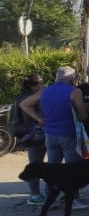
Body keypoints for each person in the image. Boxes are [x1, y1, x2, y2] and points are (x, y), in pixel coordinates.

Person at [21, 67, 89, 210]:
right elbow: (83, 115)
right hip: (69, 133)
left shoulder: (45, 91)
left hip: (50, 135)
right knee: (72, 168)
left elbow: (24, 104)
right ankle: (73, 199)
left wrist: (39, 119)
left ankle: (50, 198)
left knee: (51, 168)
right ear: (72, 79)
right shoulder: (75, 91)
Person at [11, 73, 47, 206]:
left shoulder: (21, 95)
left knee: (34, 164)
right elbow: (29, 117)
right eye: (40, 82)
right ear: (34, 85)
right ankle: (36, 195)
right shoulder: (30, 98)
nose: (43, 85)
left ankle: (35, 194)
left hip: (29, 135)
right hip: (35, 135)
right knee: (36, 165)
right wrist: (40, 119)